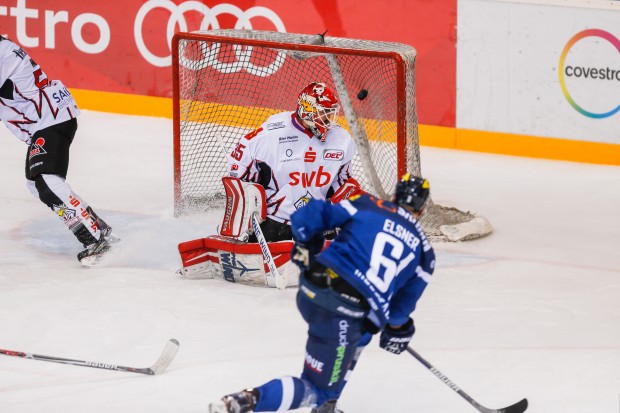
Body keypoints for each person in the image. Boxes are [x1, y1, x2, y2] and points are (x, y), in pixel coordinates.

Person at [209, 174, 436, 413]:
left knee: (361, 332)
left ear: (393, 196)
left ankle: (328, 406)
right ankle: (244, 401)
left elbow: (309, 214)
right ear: (422, 211)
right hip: (343, 313)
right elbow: (399, 312)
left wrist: (306, 248)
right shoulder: (425, 253)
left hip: (312, 288)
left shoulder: (366, 204)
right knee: (316, 388)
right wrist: (398, 332)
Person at [0, 35, 114, 266]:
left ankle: (95, 240)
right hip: (49, 119)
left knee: (46, 181)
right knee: (37, 185)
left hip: (50, 120)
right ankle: (97, 225)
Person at [225, 81, 359, 242]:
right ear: (308, 112)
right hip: (276, 221)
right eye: (324, 113)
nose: (329, 118)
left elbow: (341, 181)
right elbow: (237, 171)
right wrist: (249, 193)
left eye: (330, 113)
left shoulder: (341, 139)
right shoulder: (270, 134)